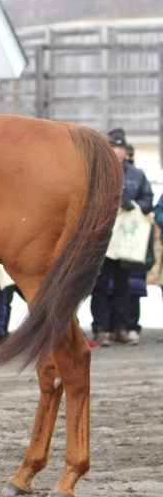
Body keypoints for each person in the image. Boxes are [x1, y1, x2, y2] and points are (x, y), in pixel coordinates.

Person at [91, 128, 153, 346]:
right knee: (99, 285)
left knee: (122, 286)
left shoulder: (137, 175)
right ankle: (100, 328)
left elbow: (148, 201)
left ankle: (121, 328)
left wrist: (133, 205)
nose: (116, 151)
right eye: (112, 147)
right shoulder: (97, 173)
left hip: (127, 241)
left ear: (126, 151)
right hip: (103, 239)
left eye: (119, 147)